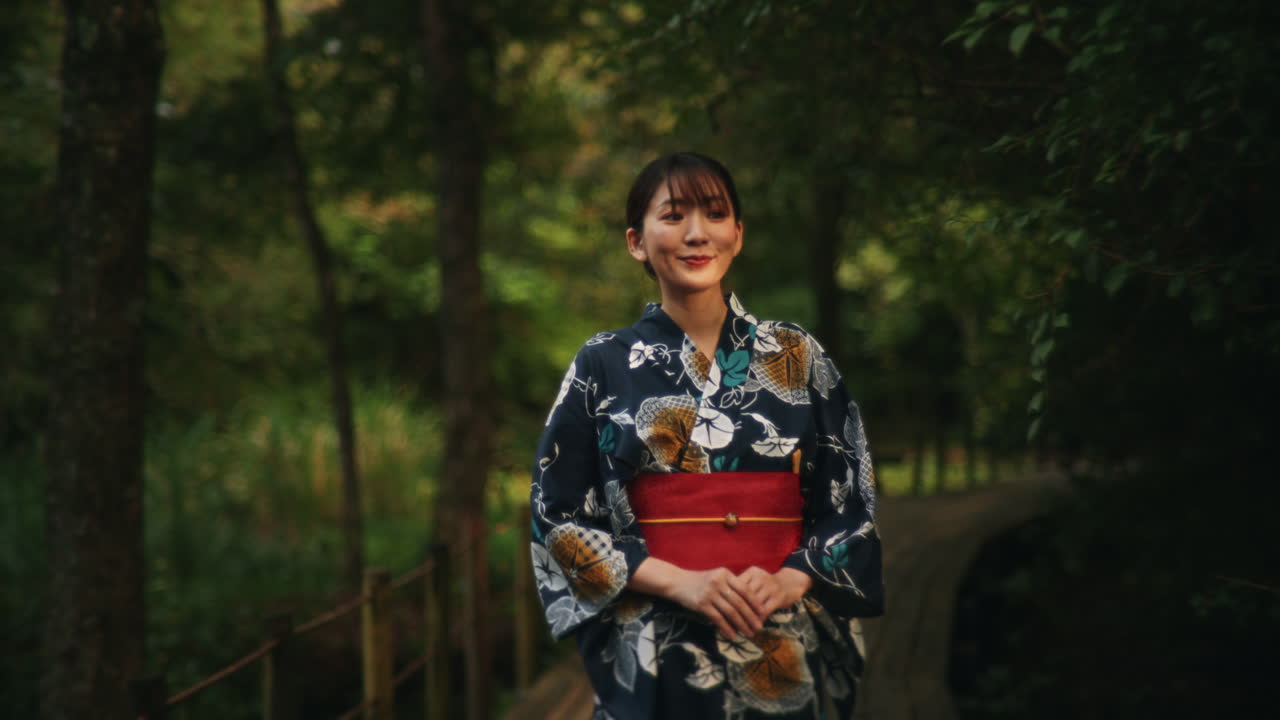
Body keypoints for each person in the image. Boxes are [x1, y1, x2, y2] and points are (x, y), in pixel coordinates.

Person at [530, 152, 883, 720]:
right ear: (636, 241)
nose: (697, 233)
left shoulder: (796, 354)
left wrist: (793, 579)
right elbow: (557, 517)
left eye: (715, 214)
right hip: (658, 632)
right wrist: (680, 582)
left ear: (737, 235)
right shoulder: (600, 363)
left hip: (779, 630)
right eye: (672, 216)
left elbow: (850, 500)